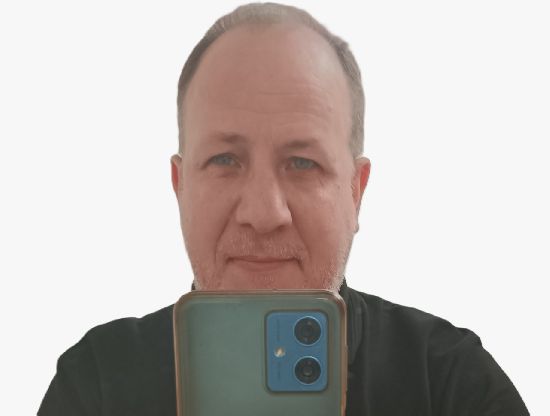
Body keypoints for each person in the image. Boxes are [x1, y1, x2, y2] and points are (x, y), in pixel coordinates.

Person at [38, 3, 529, 415]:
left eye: (302, 163)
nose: (263, 212)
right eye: (225, 160)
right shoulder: (95, 386)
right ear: (180, 186)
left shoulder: (452, 386)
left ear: (356, 193)